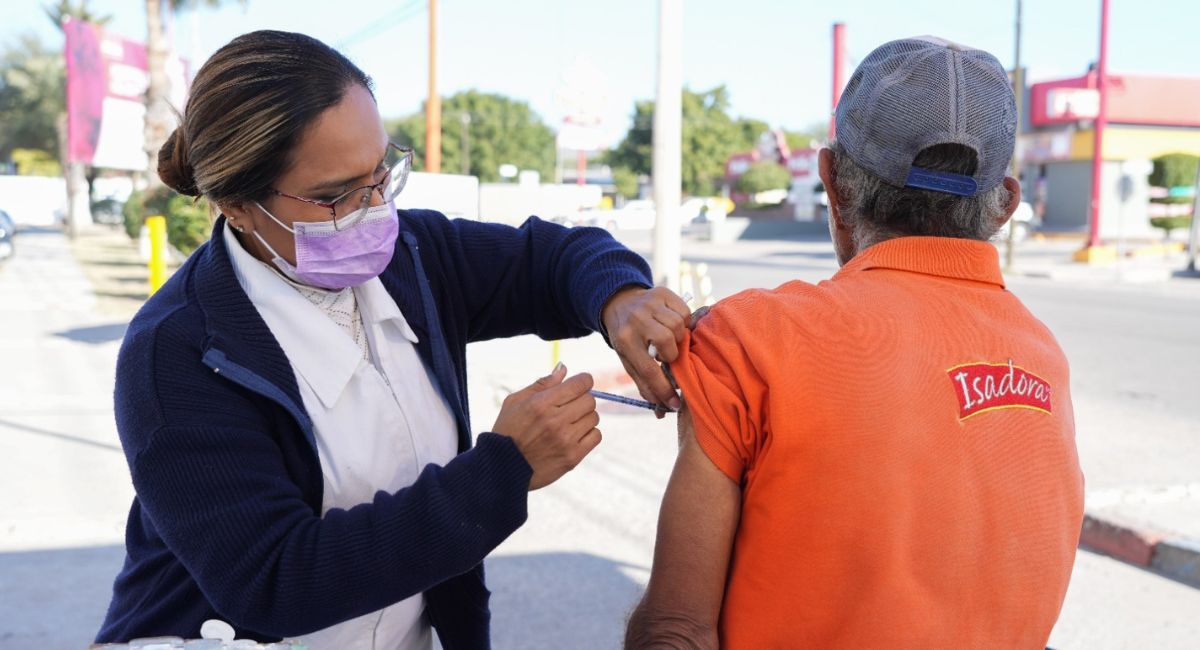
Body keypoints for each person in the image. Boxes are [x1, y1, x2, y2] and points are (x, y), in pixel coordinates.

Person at [97, 30, 692, 648]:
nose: (374, 208)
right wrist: (502, 471)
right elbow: (273, 580)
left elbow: (553, 258)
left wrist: (620, 298)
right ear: (237, 205)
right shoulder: (178, 352)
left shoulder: (416, 257)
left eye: (381, 172)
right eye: (333, 197)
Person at [627, 36, 1084, 649]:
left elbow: (677, 632)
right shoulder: (1044, 361)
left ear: (832, 186)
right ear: (1004, 206)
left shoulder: (749, 340)